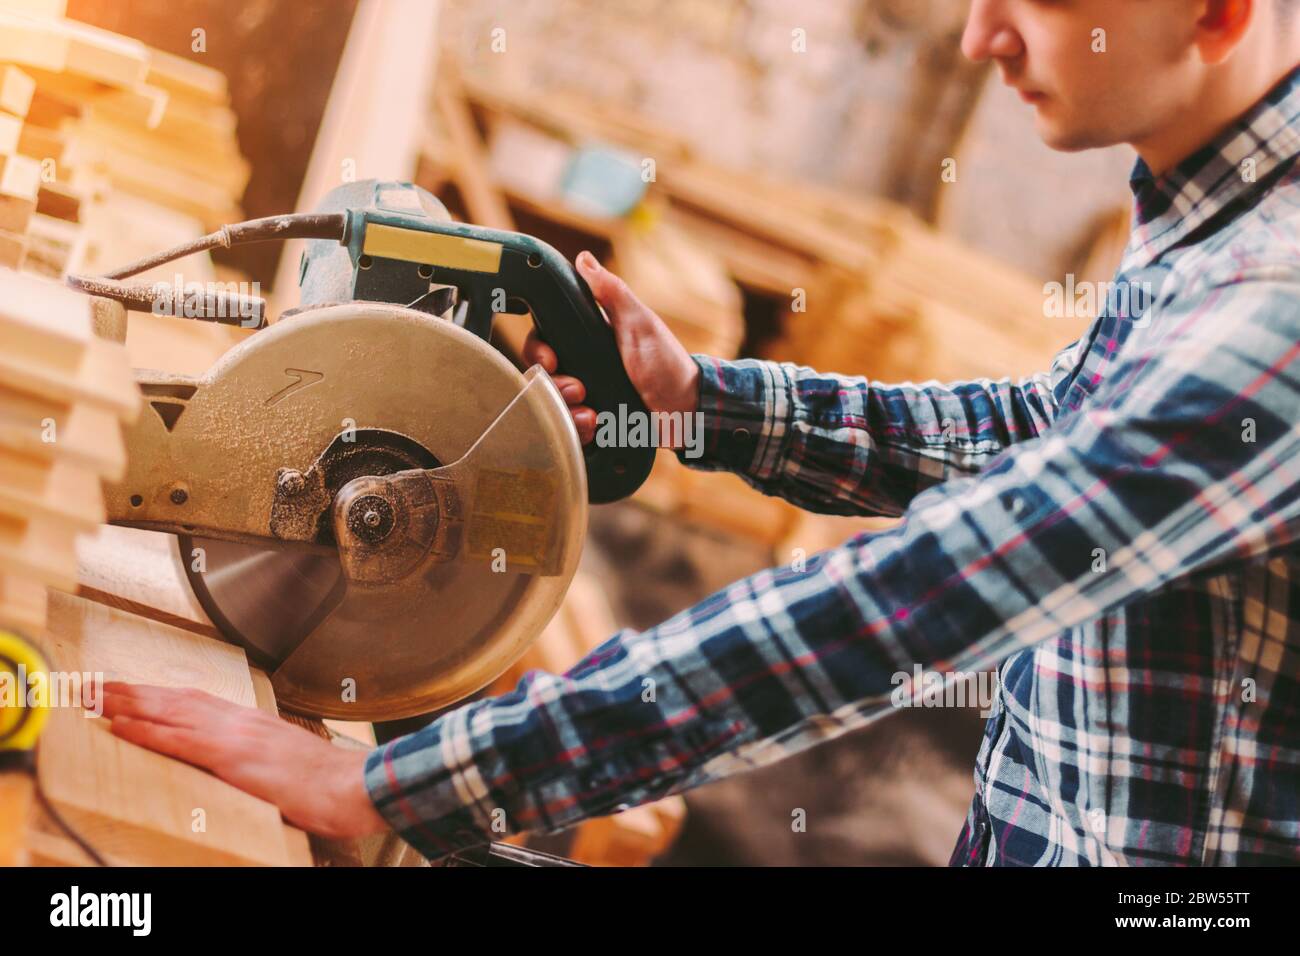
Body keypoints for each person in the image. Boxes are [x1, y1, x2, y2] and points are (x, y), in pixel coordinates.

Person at [103, 0, 1300, 865]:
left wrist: (400, 782)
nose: (983, 37)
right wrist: (698, 403)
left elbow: (930, 592)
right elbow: (1036, 431)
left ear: (1215, 11)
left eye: (1038, 2)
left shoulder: (1274, 312)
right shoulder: (1202, 226)